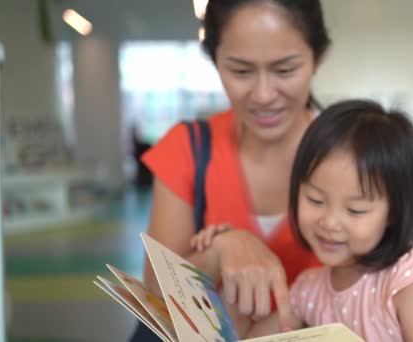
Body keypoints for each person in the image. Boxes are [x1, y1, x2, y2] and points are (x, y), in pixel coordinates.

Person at [129, 0, 331, 340]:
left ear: (317, 59)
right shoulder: (188, 149)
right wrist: (218, 251)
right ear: (215, 61)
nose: (264, 95)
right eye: (240, 71)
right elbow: (155, 294)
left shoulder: (353, 156)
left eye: (285, 70)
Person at [193, 100, 413, 341]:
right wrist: (220, 249)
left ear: (394, 213)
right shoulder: (308, 292)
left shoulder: (411, 279)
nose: (330, 222)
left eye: (355, 210)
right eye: (315, 200)